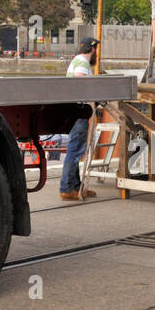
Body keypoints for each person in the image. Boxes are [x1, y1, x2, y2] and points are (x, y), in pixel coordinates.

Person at [60, 38, 103, 200]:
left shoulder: (76, 60)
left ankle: (76, 186)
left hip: (73, 110)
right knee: (75, 150)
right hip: (79, 111)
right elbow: (79, 80)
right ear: (92, 50)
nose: (96, 54)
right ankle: (67, 188)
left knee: (75, 149)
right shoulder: (83, 64)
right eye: (96, 50)